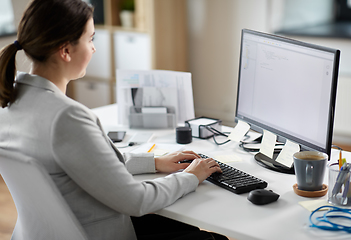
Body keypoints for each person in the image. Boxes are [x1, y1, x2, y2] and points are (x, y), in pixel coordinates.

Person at [0, 0, 227, 240]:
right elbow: (136, 201)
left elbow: (90, 164)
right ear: (65, 50)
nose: (94, 48)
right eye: (90, 39)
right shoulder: (66, 117)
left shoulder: (11, 102)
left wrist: (155, 162)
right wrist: (191, 176)